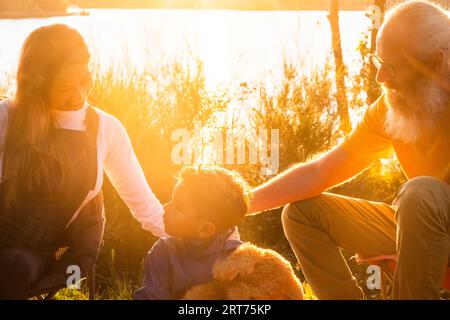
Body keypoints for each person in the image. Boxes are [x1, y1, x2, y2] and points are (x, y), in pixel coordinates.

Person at [249, 0, 449, 299]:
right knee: (302, 213)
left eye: (392, 67)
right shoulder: (394, 109)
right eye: (378, 63)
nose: (380, 78)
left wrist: (415, 255)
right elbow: (320, 171)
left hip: (430, 223)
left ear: (435, 62)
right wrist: (239, 204)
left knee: (419, 193)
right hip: (423, 225)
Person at [0, 24, 166, 299]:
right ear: (38, 82)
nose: (79, 94)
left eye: (85, 79)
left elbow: (146, 208)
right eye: (65, 87)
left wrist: (203, 240)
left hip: (36, 255)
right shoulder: (7, 117)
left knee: (10, 269)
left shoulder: (106, 129)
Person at [133, 166, 247, 300]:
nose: (165, 208)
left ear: (204, 229)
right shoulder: (163, 252)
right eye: (171, 200)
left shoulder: (237, 260)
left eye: (177, 206)